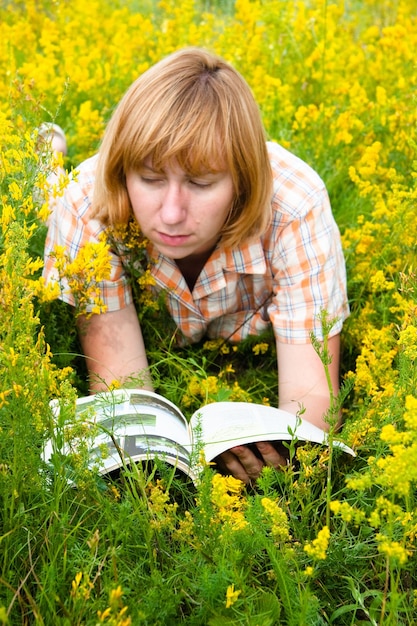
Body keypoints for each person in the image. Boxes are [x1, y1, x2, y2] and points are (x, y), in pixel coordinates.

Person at [43, 47, 349, 484]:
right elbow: (123, 393)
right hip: (76, 199)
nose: (170, 213)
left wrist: (284, 454)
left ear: (241, 181)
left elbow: (312, 402)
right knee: (53, 199)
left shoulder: (295, 207)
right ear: (122, 172)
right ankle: (50, 159)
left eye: (201, 183)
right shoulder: (86, 207)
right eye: (149, 179)